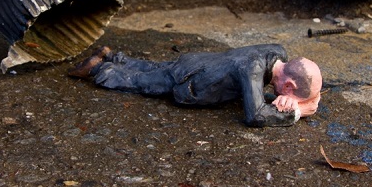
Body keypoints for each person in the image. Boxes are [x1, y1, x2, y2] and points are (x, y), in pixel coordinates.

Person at [68, 44, 322, 127]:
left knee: (155, 67)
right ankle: (98, 69)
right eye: (295, 95)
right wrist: (297, 112)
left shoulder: (277, 52)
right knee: (141, 82)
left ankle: (115, 56)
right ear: (288, 85)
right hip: (192, 81)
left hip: (199, 62)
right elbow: (254, 115)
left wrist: (300, 97)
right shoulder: (254, 69)